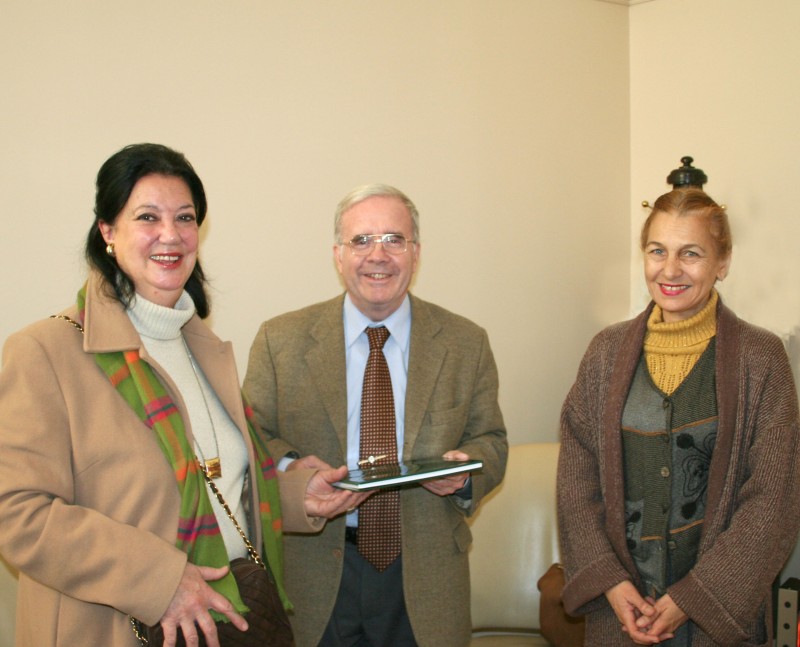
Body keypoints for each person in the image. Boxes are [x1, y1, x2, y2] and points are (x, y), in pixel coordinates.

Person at [0, 143, 367, 647]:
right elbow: (17, 512)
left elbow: (217, 481)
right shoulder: (43, 352)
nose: (170, 235)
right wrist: (158, 579)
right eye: (147, 216)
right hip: (109, 628)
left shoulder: (202, 347)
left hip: (228, 619)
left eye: (185, 217)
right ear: (108, 231)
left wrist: (298, 496)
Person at [243, 183, 508, 647]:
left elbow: (491, 438)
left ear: (416, 252)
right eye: (361, 240)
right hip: (317, 567)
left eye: (394, 239)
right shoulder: (279, 340)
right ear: (338, 255)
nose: (377, 255)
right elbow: (253, 435)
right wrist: (292, 473)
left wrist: (465, 473)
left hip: (425, 572)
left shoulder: (466, 342)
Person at [557, 188, 800, 646]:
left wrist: (696, 597)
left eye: (691, 254)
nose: (670, 270)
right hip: (623, 611)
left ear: (722, 263)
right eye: (657, 252)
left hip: (719, 620)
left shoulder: (762, 359)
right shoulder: (604, 354)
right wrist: (610, 580)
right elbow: (576, 478)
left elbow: (775, 497)